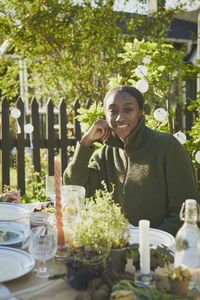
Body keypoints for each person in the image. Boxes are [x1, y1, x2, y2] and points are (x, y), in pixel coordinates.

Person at [63, 85, 199, 236]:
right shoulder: (105, 155)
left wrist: (149, 244)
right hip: (117, 248)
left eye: (128, 109)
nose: (120, 117)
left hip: (161, 249)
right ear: (105, 116)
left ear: (140, 113)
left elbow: (185, 213)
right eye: (113, 111)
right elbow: (73, 189)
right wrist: (85, 142)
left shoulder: (167, 146)